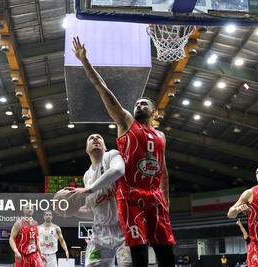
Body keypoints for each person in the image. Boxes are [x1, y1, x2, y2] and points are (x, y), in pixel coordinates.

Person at [72, 36, 175, 267]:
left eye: (143, 104)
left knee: (165, 248)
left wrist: (165, 198)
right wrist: (85, 61)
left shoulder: (161, 136)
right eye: (137, 103)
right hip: (130, 195)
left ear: (154, 111)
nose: (138, 105)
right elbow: (104, 90)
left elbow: (163, 171)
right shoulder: (127, 122)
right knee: (137, 252)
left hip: (155, 196)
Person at [65, 133, 131, 267]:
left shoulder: (111, 156)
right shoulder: (87, 175)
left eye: (99, 137)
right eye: (91, 138)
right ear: (87, 149)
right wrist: (72, 211)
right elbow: (90, 211)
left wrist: (89, 190)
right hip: (100, 232)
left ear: (105, 147)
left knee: (127, 264)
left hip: (123, 227)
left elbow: (118, 170)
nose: (95, 138)